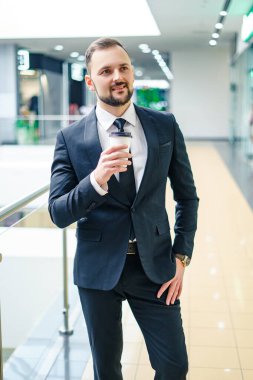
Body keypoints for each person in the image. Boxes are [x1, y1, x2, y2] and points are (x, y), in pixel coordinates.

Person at [48, 38, 199, 380]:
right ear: (90, 81)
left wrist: (182, 256)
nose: (117, 76)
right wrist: (96, 179)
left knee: (175, 365)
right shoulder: (71, 138)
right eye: (106, 70)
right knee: (107, 370)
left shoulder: (164, 126)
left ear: (132, 72)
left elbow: (187, 197)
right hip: (97, 270)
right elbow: (58, 212)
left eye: (124, 67)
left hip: (156, 267)